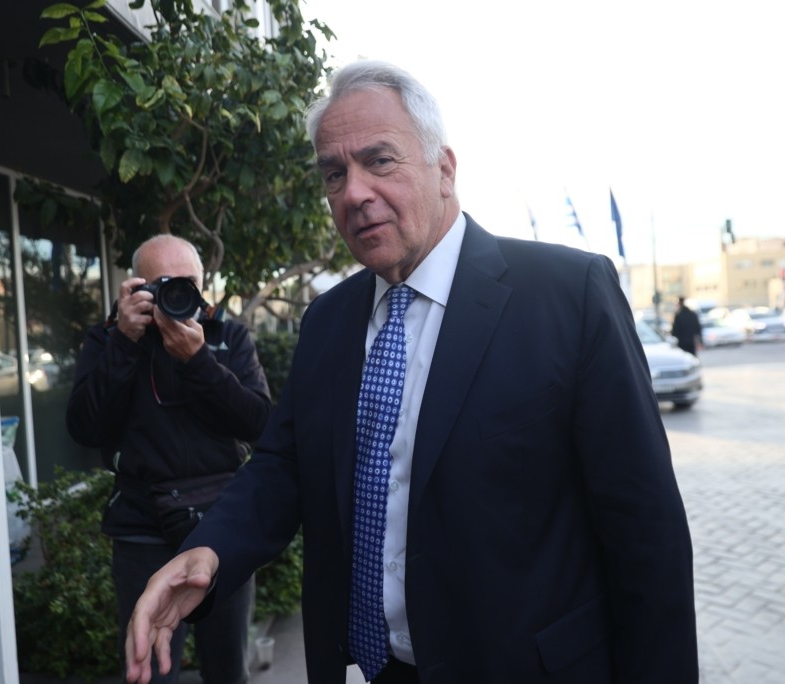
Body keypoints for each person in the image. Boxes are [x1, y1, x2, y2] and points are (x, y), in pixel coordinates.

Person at [125, 61, 698, 684]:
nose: (354, 193)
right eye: (334, 174)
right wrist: (210, 551)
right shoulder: (327, 321)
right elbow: (283, 465)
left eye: (379, 161)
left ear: (444, 170)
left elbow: (645, 534)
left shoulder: (567, 294)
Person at [66, 234, 272, 684]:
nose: (178, 294)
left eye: (188, 283)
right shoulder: (110, 339)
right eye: (164, 284)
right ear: (137, 288)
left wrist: (198, 362)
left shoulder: (227, 336)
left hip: (221, 526)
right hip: (143, 529)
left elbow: (260, 422)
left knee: (228, 669)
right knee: (148, 669)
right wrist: (124, 342)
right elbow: (84, 428)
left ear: (203, 286)